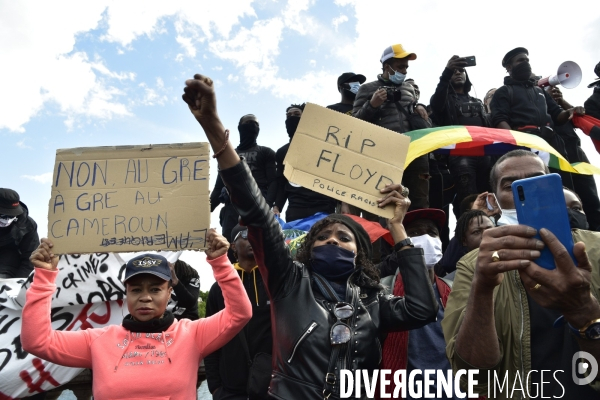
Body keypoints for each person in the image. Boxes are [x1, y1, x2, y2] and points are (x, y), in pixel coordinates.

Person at [182, 73, 438, 399]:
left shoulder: (374, 301)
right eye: (323, 236)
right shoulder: (290, 282)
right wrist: (215, 131)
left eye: (344, 238)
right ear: (307, 247)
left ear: (360, 254)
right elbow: (257, 212)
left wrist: (398, 227)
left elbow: (421, 309)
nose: (333, 240)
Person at [442, 149, 600, 398]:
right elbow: (471, 376)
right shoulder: (473, 264)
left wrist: (584, 312)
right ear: (496, 199)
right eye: (512, 187)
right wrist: (482, 287)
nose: (525, 194)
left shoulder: (597, 247)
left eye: (537, 182)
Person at [21, 231, 252, 400]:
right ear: (126, 294)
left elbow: (240, 313)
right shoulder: (98, 340)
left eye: (155, 289)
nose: (145, 297)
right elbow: (37, 341)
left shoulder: (192, 334)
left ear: (169, 292)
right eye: (136, 290)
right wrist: (44, 276)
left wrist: (220, 263)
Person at [379, 208, 461, 399]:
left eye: (432, 233)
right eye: (414, 233)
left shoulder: (456, 291)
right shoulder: (384, 291)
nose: (425, 238)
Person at [490, 47, 585, 188]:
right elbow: (499, 119)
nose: (526, 63)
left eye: (527, 60)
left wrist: (570, 111)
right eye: (521, 60)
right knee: (536, 187)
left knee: (562, 187)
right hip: (525, 147)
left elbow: (558, 115)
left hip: (552, 146)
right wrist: (516, 145)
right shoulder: (503, 92)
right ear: (509, 67)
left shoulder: (540, 91)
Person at [353, 43, 431, 210]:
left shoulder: (409, 88)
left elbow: (414, 111)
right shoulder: (367, 89)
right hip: (384, 154)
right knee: (385, 204)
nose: (404, 71)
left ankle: (418, 233)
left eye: (406, 67)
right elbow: (355, 123)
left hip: (415, 152)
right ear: (387, 67)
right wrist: (372, 104)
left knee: (420, 202)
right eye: (400, 67)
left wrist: (419, 107)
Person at [205, 224, 272, 400]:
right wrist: (215, 387)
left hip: (272, 388)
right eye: (245, 234)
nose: (252, 238)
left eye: (256, 233)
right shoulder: (218, 288)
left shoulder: (276, 281)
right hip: (230, 390)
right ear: (232, 246)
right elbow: (210, 338)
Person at [210, 114, 276, 245]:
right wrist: (205, 210)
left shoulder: (266, 152)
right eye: (247, 123)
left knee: (259, 246)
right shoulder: (227, 155)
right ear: (240, 128)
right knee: (230, 246)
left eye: (255, 124)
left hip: (258, 206)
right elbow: (219, 187)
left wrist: (267, 206)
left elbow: (274, 181)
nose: (251, 126)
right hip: (232, 207)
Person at [546, 86, 600, 231]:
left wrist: (560, 101)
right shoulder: (531, 105)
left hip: (576, 154)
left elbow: (577, 117)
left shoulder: (559, 106)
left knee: (591, 200)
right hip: (554, 155)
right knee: (568, 202)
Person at [271, 104, 337, 221]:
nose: (292, 118)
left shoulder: (324, 147)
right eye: (289, 116)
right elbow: (282, 182)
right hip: (295, 209)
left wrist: (343, 203)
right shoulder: (282, 152)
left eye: (297, 114)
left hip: (323, 207)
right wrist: (277, 206)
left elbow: (335, 176)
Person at [0, 188, 39, 279]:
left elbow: (30, 258)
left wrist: (18, 284)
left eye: (12, 216)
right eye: (2, 215)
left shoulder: (28, 225)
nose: (7, 219)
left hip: (7, 266)